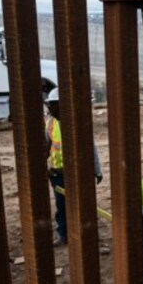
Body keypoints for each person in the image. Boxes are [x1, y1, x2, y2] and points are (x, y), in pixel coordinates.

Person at [44, 87, 103, 247]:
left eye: (52, 104)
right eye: (49, 105)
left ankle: (90, 234)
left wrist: (96, 170)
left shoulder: (79, 122)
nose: (49, 108)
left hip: (79, 174)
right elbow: (45, 148)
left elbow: (91, 148)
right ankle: (64, 235)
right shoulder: (50, 124)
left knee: (85, 205)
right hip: (58, 174)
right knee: (61, 206)